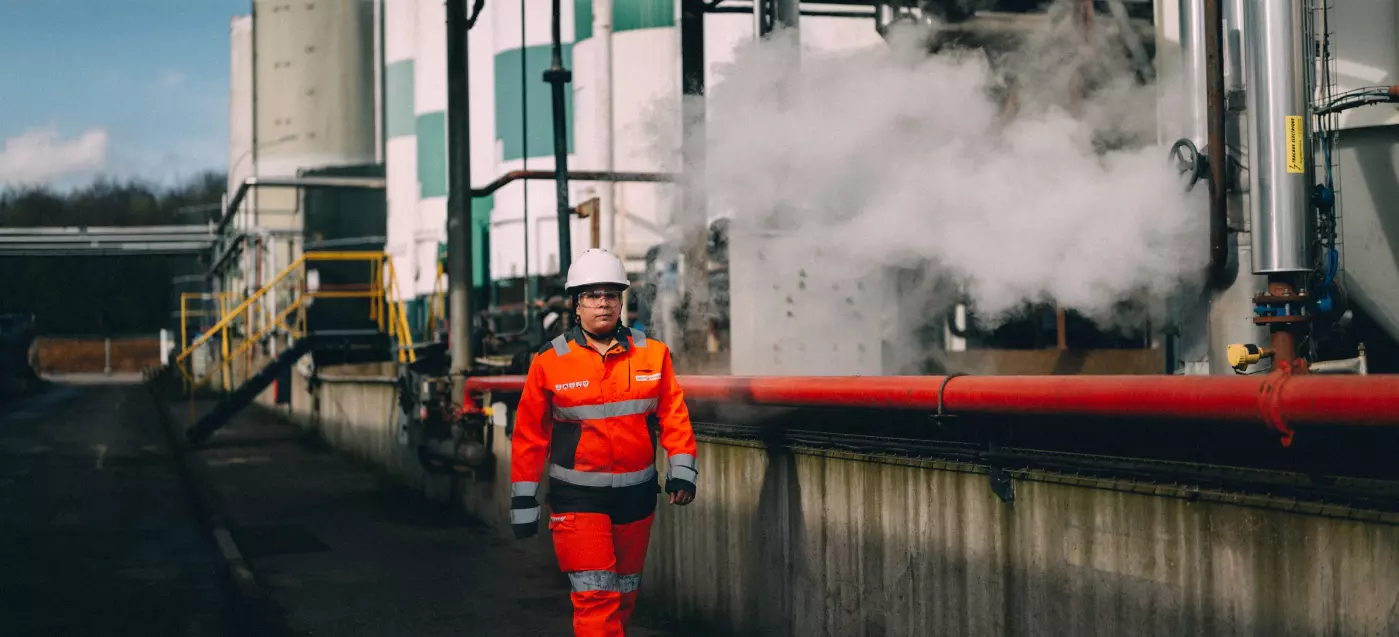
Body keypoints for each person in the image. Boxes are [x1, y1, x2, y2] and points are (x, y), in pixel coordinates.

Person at [509, 248, 698, 637]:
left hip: (637, 497)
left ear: (621, 301)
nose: (603, 303)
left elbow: (674, 415)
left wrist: (682, 471)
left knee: (624, 595)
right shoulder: (549, 362)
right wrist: (524, 502)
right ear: (576, 305)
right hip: (578, 501)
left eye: (611, 294)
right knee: (596, 596)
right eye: (592, 295)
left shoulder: (653, 353)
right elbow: (529, 436)